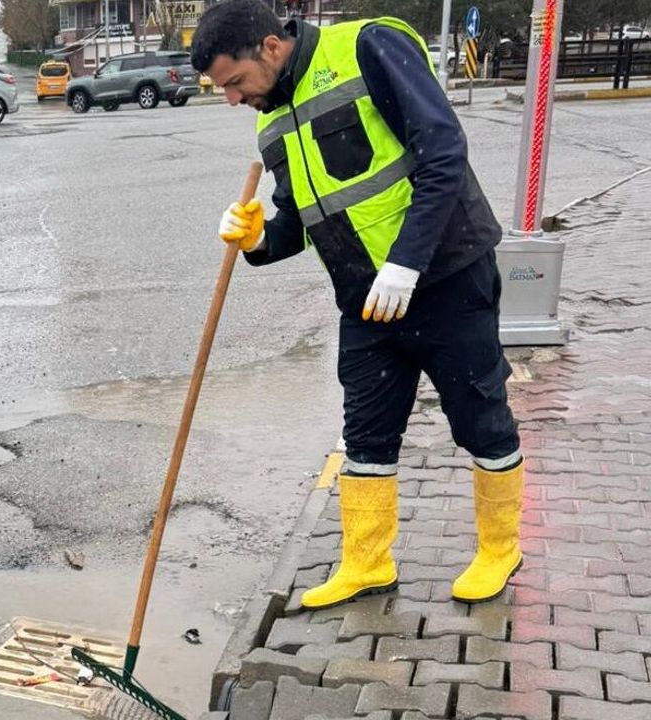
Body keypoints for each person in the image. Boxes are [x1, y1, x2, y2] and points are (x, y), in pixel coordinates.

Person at [191, 0, 523, 608]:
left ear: (270, 47)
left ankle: (500, 549)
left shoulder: (367, 48)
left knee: (480, 415)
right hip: (365, 301)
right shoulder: (272, 123)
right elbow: (298, 221)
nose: (233, 99)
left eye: (235, 82)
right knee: (366, 434)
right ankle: (367, 562)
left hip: (448, 277)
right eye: (223, 90)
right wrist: (257, 239)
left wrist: (407, 262)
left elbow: (443, 154)